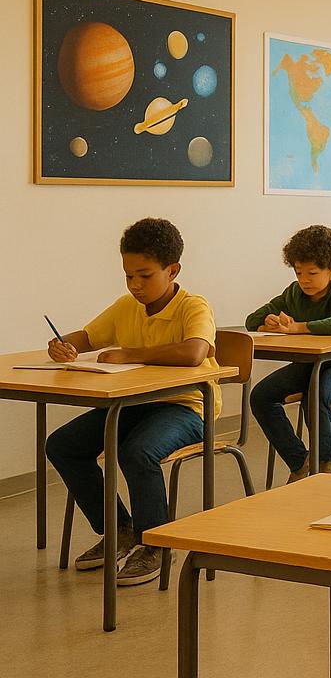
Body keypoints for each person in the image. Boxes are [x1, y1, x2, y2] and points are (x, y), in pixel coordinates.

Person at [45, 218, 222, 587]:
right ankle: (119, 529)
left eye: (144, 275)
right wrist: (66, 345)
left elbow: (194, 353)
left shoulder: (194, 305)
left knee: (137, 451)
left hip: (188, 406)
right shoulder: (126, 306)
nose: (135, 285)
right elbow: (89, 336)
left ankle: (154, 542)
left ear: (172, 270)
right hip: (137, 403)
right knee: (63, 445)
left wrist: (128, 354)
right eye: (128, 276)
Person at [246, 224, 331, 482]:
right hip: (310, 363)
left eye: (313, 272)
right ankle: (300, 461)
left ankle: (324, 464)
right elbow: (251, 319)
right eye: (299, 272)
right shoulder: (294, 292)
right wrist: (267, 322)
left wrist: (300, 327)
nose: (304, 280)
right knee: (261, 397)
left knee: (316, 394)